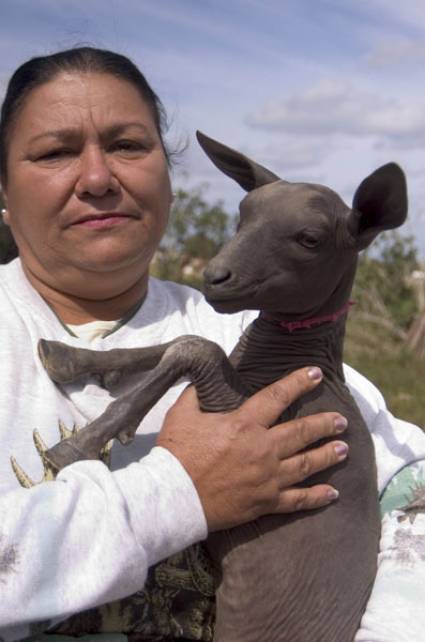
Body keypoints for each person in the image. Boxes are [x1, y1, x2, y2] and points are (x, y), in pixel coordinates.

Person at [0, 47, 424, 642]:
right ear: (3, 186)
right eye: (54, 152)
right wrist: (178, 492)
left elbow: (416, 494)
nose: (97, 179)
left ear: (168, 176)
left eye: (127, 145)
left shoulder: (251, 331)